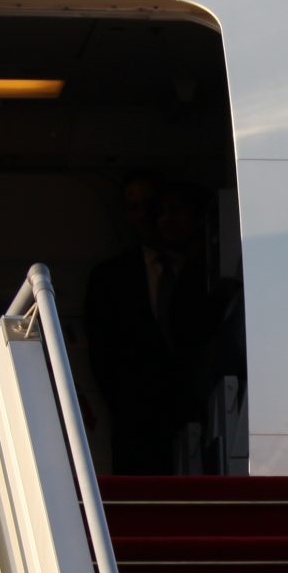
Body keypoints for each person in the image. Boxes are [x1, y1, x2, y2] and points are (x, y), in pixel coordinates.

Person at [87, 177, 223, 475]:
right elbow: (103, 359)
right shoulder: (108, 278)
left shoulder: (209, 271)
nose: (148, 217)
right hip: (137, 429)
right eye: (134, 208)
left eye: (153, 207)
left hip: (205, 420)